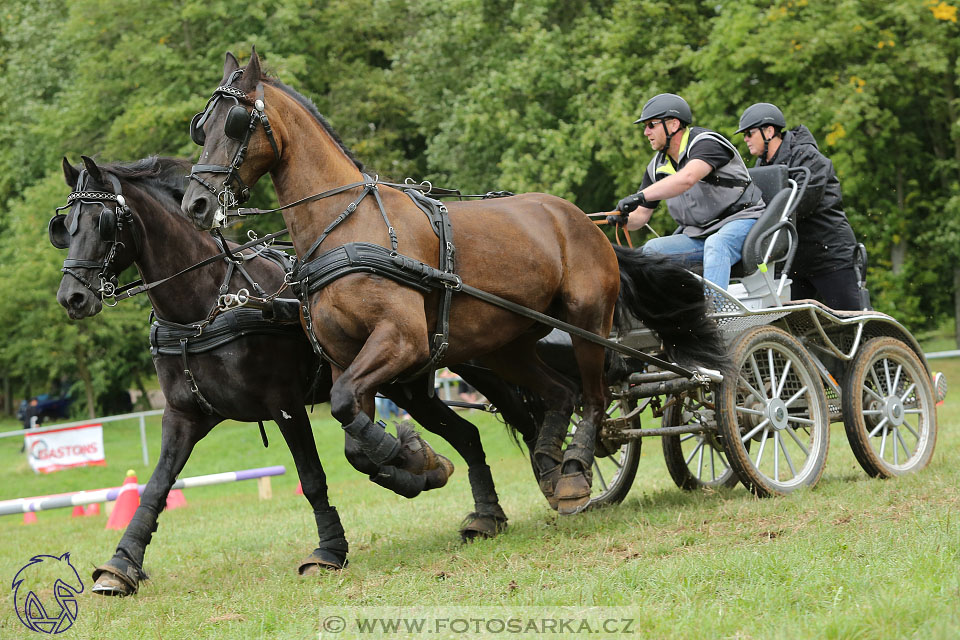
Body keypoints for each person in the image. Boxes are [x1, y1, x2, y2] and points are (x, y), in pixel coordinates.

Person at [609, 93, 765, 290]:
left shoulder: (706, 143)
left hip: (743, 222)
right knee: (649, 252)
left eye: (651, 125)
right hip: (701, 235)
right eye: (644, 126)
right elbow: (640, 216)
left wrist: (640, 196)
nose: (646, 132)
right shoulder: (656, 166)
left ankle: (713, 315)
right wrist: (623, 219)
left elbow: (687, 178)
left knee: (717, 244)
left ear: (673, 125)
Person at [736, 102, 862, 310]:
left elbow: (800, 205)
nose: (746, 139)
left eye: (750, 133)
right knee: (793, 329)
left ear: (769, 131)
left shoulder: (807, 156)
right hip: (793, 262)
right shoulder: (762, 166)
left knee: (853, 321)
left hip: (829, 256)